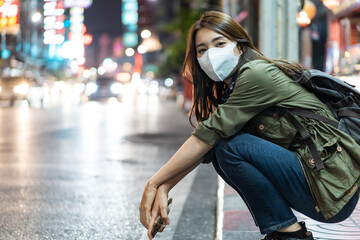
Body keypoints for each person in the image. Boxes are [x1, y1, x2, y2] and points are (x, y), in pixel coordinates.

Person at [139, 10, 360, 240]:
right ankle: (284, 233)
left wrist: (153, 184)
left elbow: (205, 136)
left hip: (331, 184)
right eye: (202, 50)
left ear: (240, 45)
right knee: (220, 148)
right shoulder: (234, 87)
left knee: (229, 147)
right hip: (324, 180)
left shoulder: (255, 74)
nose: (211, 54)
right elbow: (206, 145)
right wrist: (165, 187)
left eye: (219, 43)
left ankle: (290, 235)